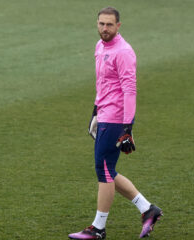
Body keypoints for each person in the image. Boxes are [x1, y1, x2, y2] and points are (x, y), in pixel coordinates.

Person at [68, 7, 163, 240]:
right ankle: (148, 209)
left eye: (109, 25)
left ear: (118, 25)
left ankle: (98, 228)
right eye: (101, 24)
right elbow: (102, 83)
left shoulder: (124, 52)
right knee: (108, 169)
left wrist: (127, 127)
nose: (104, 29)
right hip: (104, 115)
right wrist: (94, 111)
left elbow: (130, 90)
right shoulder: (99, 46)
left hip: (116, 119)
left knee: (104, 171)